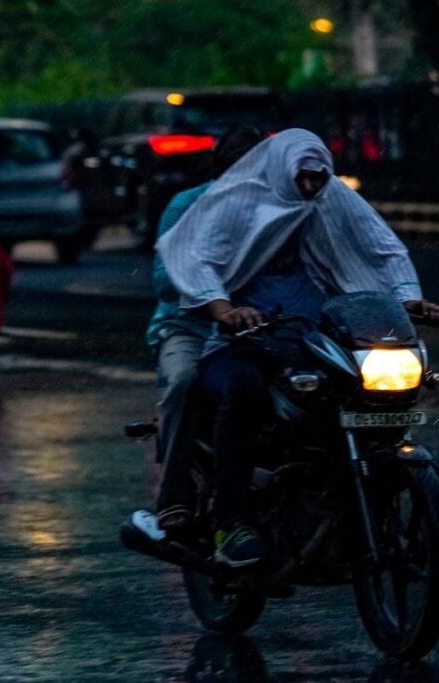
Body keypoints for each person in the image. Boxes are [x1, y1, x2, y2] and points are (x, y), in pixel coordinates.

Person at [157, 128, 439, 569]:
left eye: (318, 178)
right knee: (242, 392)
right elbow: (192, 259)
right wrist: (225, 309)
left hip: (314, 338)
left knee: (365, 395)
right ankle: (230, 521)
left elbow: (376, 249)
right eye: (303, 179)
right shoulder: (228, 205)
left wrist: (407, 300)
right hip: (243, 341)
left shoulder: (326, 201)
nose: (311, 187)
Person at [149, 126, 265, 533]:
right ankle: (173, 494)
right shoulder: (187, 207)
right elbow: (165, 281)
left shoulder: (282, 208)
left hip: (266, 327)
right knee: (183, 381)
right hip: (191, 327)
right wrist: (217, 300)